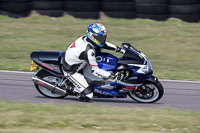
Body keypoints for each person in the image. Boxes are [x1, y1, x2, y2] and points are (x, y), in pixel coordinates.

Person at [62, 23, 125, 101]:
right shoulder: (89, 51)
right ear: (93, 35)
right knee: (89, 96)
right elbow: (95, 70)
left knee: (99, 52)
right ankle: (70, 88)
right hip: (72, 71)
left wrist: (120, 49)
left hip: (79, 61)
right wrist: (112, 76)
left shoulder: (87, 38)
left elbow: (104, 44)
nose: (103, 39)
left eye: (103, 37)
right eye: (100, 37)